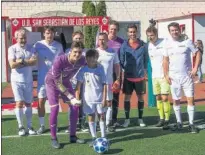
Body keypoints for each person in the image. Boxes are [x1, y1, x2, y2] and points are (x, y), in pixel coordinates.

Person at [45, 42, 86, 149]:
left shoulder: (82, 60)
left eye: (79, 52)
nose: (77, 55)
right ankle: (53, 138)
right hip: (52, 83)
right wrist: (71, 97)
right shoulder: (60, 60)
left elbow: (91, 65)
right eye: (75, 52)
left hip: (66, 82)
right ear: (70, 51)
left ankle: (73, 136)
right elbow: (58, 83)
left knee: (75, 106)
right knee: (55, 108)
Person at [163, 22, 201, 133]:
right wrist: (166, 74)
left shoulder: (187, 42)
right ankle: (179, 123)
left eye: (176, 30)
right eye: (172, 30)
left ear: (179, 30)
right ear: (169, 32)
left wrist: (195, 69)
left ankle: (191, 124)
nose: (174, 32)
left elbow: (198, 54)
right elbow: (165, 60)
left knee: (190, 99)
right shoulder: (167, 44)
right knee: (176, 100)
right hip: (174, 77)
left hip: (187, 77)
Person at [34, 26, 64, 134]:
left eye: (51, 33)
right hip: (42, 78)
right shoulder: (38, 45)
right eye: (47, 33)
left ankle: (54, 125)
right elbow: (32, 56)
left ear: (53, 34)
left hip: (54, 79)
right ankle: (42, 125)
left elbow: (62, 62)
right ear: (44, 34)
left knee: (54, 103)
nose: (49, 35)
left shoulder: (59, 46)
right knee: (41, 101)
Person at [8, 28, 37, 136]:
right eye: (21, 38)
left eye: (24, 38)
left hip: (28, 80)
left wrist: (21, 61)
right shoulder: (12, 49)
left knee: (29, 103)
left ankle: (29, 126)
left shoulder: (31, 48)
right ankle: (21, 126)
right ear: (16, 38)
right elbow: (12, 65)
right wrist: (26, 62)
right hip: (16, 81)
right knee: (19, 103)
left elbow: (34, 62)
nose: (23, 40)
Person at [75, 49, 107, 147]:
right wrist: (77, 97)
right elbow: (78, 85)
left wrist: (104, 98)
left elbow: (105, 84)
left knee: (101, 116)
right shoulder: (83, 70)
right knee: (91, 116)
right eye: (89, 58)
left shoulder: (100, 68)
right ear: (86, 59)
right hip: (88, 99)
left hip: (99, 98)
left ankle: (103, 136)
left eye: (94, 57)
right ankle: (93, 137)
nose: (92, 60)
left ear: (97, 58)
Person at [119, 24, 148, 128]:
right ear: (128, 33)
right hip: (128, 77)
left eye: (134, 32)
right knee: (127, 98)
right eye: (130, 32)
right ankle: (127, 120)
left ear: (137, 32)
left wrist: (144, 71)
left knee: (140, 97)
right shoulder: (124, 46)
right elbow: (121, 60)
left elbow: (145, 59)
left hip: (140, 77)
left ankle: (140, 118)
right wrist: (127, 69)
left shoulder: (143, 45)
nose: (132, 34)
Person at [146, 26, 171, 129]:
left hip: (164, 75)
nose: (150, 37)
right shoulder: (149, 45)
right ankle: (161, 118)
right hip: (154, 76)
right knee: (158, 97)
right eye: (148, 36)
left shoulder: (164, 42)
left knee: (165, 97)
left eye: (152, 35)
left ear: (156, 34)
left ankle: (167, 119)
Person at [65, 30, 89, 133]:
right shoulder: (67, 51)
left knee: (82, 102)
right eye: (76, 38)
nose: (78, 40)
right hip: (71, 81)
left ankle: (82, 123)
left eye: (80, 38)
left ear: (83, 39)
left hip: (83, 81)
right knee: (72, 103)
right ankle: (71, 124)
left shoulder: (87, 51)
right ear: (73, 39)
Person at [96, 33, 121, 132]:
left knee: (109, 102)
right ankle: (99, 122)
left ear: (107, 40)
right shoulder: (95, 52)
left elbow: (117, 66)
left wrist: (118, 79)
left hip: (109, 81)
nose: (101, 41)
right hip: (97, 83)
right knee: (98, 103)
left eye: (103, 39)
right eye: (100, 39)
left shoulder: (112, 51)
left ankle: (108, 123)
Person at [107, 20, 124, 127]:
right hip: (105, 74)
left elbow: (122, 58)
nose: (113, 31)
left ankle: (114, 119)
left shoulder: (121, 42)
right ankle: (104, 119)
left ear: (117, 30)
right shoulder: (102, 40)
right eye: (111, 29)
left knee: (115, 97)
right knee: (105, 96)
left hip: (116, 73)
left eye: (115, 29)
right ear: (108, 29)